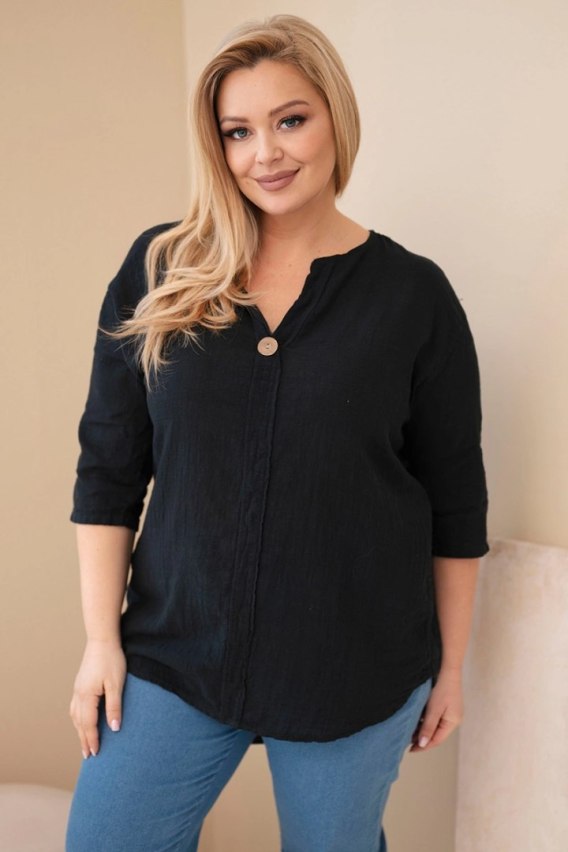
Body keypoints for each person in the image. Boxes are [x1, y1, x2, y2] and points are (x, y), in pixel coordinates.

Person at [65, 13, 489, 852]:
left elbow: (454, 499)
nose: (266, 153)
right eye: (238, 131)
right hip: (175, 652)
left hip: (353, 662)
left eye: (290, 120)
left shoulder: (413, 297)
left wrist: (451, 668)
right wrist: (100, 641)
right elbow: (108, 472)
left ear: (335, 117)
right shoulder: (161, 269)